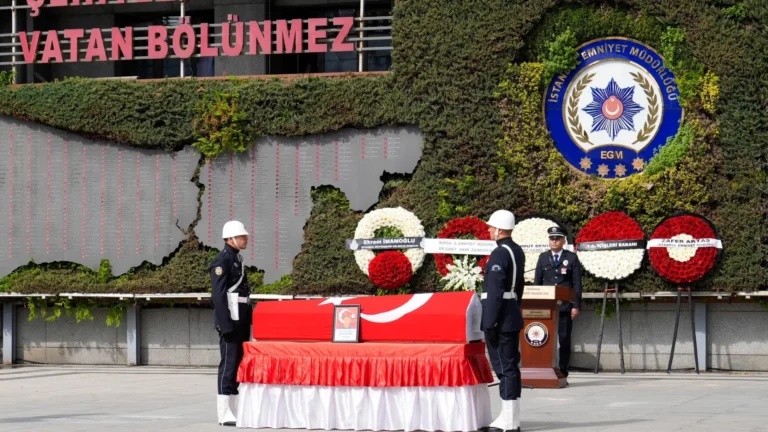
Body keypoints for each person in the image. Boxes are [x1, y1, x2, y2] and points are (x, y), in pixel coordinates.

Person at [481, 210, 525, 432]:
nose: (489, 230)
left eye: (491, 227)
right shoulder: (516, 251)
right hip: (511, 314)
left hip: (500, 317)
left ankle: (508, 421)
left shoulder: (499, 254)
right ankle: (511, 418)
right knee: (511, 367)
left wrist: (490, 322)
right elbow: (519, 288)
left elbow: (496, 290)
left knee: (504, 367)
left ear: (499, 230)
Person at [210, 220, 252, 426]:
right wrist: (225, 323)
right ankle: (224, 412)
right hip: (230, 321)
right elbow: (218, 296)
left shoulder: (236, 259)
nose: (245, 239)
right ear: (230, 238)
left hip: (240, 318)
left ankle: (234, 409)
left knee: (237, 364)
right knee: (228, 364)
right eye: (242, 236)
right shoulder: (222, 261)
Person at [533, 226, 582, 378]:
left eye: (557, 239)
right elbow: (538, 283)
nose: (554, 241)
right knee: (544, 337)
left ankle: (562, 370)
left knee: (564, 338)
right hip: (547, 307)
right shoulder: (543, 258)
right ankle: (545, 366)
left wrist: (576, 305)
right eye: (552, 239)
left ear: (563, 241)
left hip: (565, 307)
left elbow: (576, 284)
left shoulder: (571, 258)